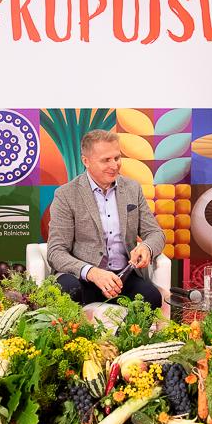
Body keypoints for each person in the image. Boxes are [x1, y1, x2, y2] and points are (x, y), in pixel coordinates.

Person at [46, 129, 165, 309]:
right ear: (86, 161)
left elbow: (156, 233)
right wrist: (92, 272)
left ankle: (128, 329)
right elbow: (55, 252)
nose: (114, 165)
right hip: (83, 278)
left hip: (123, 278)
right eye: (106, 160)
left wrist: (146, 247)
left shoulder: (132, 189)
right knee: (65, 291)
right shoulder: (66, 195)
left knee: (152, 298)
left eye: (117, 158)